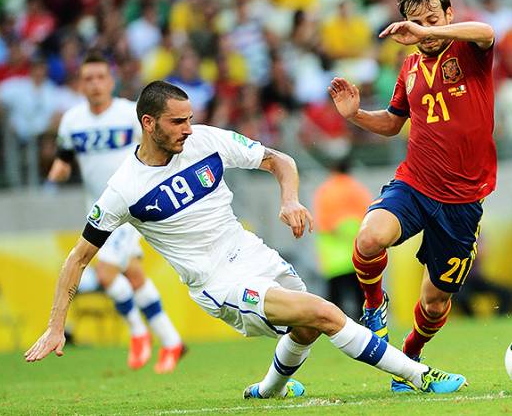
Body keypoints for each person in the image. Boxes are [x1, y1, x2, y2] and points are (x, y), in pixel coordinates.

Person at [25, 81, 466, 399]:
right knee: (323, 312)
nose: (188, 129)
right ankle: (417, 375)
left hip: (252, 254)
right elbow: (78, 259)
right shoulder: (124, 188)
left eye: (190, 119)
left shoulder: (206, 141)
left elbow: (279, 159)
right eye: (177, 122)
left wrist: (289, 200)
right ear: (148, 123)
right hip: (217, 283)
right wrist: (54, 325)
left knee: (307, 325)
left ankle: (268, 390)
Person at [329, 0, 496, 392]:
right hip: (416, 184)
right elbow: (392, 123)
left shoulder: (470, 51)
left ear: (448, 14)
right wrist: (356, 116)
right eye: (416, 23)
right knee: (369, 239)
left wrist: (436, 32)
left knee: (435, 302)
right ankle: (374, 306)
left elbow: (486, 30)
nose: (425, 30)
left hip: (462, 201)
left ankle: (412, 356)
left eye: (432, 20)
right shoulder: (408, 69)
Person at [46, 54, 184, 373]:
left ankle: (138, 334)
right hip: (98, 206)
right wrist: (57, 171)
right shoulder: (72, 121)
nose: (94, 84)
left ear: (111, 81)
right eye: (88, 79)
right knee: (133, 274)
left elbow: (158, 146)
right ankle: (172, 340)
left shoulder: (129, 114)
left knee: (106, 272)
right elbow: (64, 158)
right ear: (81, 84)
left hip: (132, 203)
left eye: (99, 77)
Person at [312, 157, 371, 317]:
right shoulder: (357, 189)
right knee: (361, 295)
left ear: (333, 170)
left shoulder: (325, 190)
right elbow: (368, 214)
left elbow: (322, 221)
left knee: (335, 297)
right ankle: (365, 324)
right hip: (356, 250)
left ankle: (333, 325)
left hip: (333, 254)